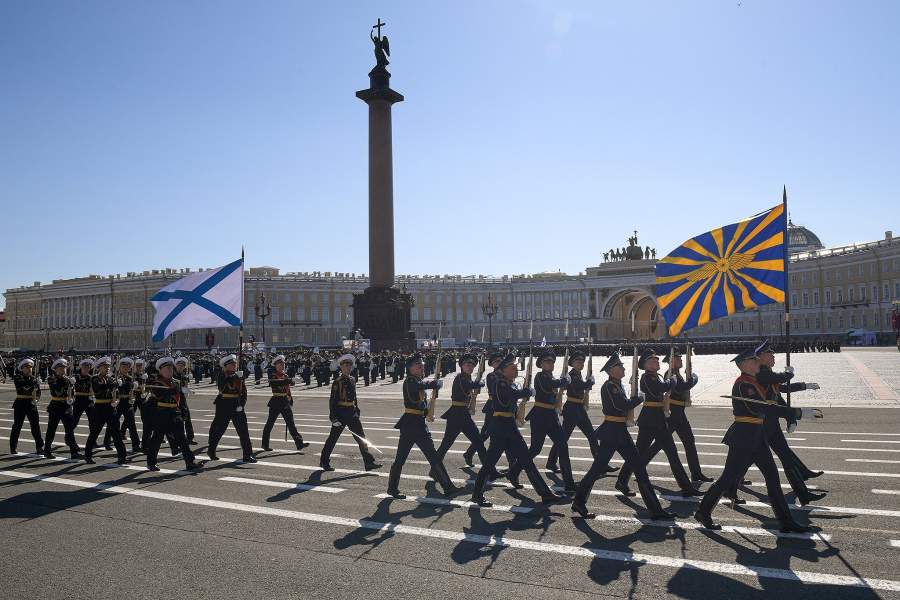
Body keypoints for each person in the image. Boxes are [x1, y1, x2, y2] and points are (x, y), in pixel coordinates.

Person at [693, 347, 814, 534]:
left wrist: (792, 410)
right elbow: (764, 408)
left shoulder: (754, 381)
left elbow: (772, 401)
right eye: (756, 361)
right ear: (747, 364)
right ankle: (703, 511)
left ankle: (785, 521)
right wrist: (797, 413)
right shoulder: (743, 385)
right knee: (727, 478)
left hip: (757, 436)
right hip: (743, 437)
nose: (759, 363)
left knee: (772, 477)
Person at [570, 353, 674, 520]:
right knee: (596, 470)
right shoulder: (610, 387)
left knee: (639, 468)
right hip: (611, 432)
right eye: (621, 367)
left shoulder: (618, 385)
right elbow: (621, 405)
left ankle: (655, 510)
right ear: (612, 370)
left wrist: (635, 396)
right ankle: (579, 501)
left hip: (620, 431)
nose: (624, 369)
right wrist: (639, 398)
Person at [726, 341, 826, 505]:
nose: (773, 356)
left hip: (771, 424)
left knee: (784, 457)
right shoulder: (761, 374)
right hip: (760, 424)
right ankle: (729, 487)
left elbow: (780, 392)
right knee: (747, 460)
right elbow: (778, 380)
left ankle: (803, 493)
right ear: (761, 357)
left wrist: (803, 387)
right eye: (769, 354)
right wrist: (789, 375)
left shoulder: (766, 372)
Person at [469, 354, 562, 507]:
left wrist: (524, 391)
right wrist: (526, 392)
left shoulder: (509, 383)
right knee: (489, 464)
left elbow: (515, 393)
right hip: (500, 428)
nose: (516, 369)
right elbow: (512, 394)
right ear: (503, 370)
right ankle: (477, 494)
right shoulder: (500, 384)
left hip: (510, 427)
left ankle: (545, 493)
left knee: (527, 460)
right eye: (512, 368)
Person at [614, 348, 702, 498]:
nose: (656, 362)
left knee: (672, 453)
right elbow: (658, 390)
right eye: (652, 361)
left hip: (659, 420)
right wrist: (672, 381)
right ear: (646, 365)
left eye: (656, 360)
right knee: (638, 453)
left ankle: (686, 487)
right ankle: (622, 480)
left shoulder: (658, 376)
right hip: (649, 420)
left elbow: (664, 388)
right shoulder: (647, 378)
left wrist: (671, 381)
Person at [386, 353, 461, 499]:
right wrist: (434, 383)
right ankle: (392, 488)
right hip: (411, 425)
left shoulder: (418, 381)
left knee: (432, 457)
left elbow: (420, 403)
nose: (421, 367)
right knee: (403, 458)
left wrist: (428, 411)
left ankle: (448, 487)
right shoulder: (410, 381)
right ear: (410, 368)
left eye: (422, 364)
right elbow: (419, 387)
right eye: (418, 365)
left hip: (418, 424)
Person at [505, 349, 577, 492]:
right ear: (541, 364)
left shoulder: (551, 377)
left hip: (551, 416)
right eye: (546, 362)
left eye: (551, 362)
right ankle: (513, 472)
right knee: (535, 449)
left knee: (563, 445)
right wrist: (564, 380)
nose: (549, 364)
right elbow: (550, 384)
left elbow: (555, 389)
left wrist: (563, 383)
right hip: (540, 417)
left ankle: (569, 483)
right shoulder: (540, 377)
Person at [639, 349, 711, 484]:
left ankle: (696, 473)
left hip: (679, 413)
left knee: (689, 442)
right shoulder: (669, 374)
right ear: (671, 361)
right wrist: (694, 378)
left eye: (681, 359)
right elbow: (681, 387)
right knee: (660, 446)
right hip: (672, 414)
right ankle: (639, 467)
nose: (681, 361)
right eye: (678, 359)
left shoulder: (676, 373)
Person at [547, 350, 618, 475]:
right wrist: (589, 382)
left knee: (591, 435)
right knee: (563, 438)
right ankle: (551, 462)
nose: (581, 363)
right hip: (571, 409)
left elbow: (583, 386)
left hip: (579, 408)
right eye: (578, 361)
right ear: (572, 363)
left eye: (582, 361)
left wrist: (588, 383)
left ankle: (601, 463)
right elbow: (579, 386)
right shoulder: (572, 375)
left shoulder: (578, 374)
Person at [433, 352, 491, 475]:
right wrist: (480, 382)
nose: (470, 367)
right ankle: (435, 469)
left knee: (479, 442)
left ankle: (488, 470)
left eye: (472, 365)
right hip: (456, 415)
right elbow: (470, 385)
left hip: (464, 414)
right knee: (446, 444)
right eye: (467, 364)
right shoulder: (460, 378)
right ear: (461, 366)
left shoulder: (468, 377)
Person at [320, 354, 380, 471]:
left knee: (361, 438)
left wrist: (357, 410)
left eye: (349, 365)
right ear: (341, 367)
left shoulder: (352, 379)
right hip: (341, 413)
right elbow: (332, 400)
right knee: (333, 439)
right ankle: (324, 461)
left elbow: (354, 397)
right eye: (345, 365)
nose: (348, 367)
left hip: (351, 412)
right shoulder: (337, 382)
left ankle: (368, 462)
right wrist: (334, 418)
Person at [144, 357, 202, 472]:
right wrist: (174, 390)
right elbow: (161, 394)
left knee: (182, 439)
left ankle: (190, 462)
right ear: (160, 370)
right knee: (156, 439)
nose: (169, 371)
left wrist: (183, 411)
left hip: (175, 413)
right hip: (161, 414)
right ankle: (151, 463)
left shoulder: (176, 382)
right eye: (166, 369)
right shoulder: (156, 383)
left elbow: (180, 400)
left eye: (171, 368)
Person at [207, 354, 256, 463]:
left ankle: (247, 455)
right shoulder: (221, 375)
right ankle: (211, 450)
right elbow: (221, 388)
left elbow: (244, 392)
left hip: (237, 404)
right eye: (231, 364)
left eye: (235, 363)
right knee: (219, 429)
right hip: (224, 404)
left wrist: (241, 404)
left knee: (243, 431)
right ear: (225, 366)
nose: (234, 365)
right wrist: (234, 377)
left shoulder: (238, 375)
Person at [84, 356, 128, 465]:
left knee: (116, 433)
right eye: (104, 367)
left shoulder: (111, 379)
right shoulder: (95, 378)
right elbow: (99, 388)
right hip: (99, 408)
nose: (107, 369)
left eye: (108, 367)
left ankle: (122, 456)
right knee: (94, 432)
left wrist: (116, 399)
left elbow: (116, 392)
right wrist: (114, 384)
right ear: (99, 368)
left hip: (110, 407)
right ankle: (88, 455)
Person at [261, 355, 309, 451]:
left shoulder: (285, 375)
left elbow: (288, 389)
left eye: (283, 364)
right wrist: (290, 380)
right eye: (280, 364)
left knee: (291, 424)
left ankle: (299, 443)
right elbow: (275, 383)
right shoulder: (273, 375)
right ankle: (264, 444)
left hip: (284, 402)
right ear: (275, 365)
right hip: (276, 401)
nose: (282, 365)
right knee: (269, 424)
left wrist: (290, 399)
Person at [43, 358, 80, 459]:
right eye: (60, 368)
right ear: (55, 369)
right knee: (51, 429)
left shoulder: (68, 379)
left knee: (69, 430)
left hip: (66, 406)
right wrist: (68, 382)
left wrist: (72, 397)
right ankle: (47, 450)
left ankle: (74, 451)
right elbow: (57, 390)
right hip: (55, 406)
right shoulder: (52, 378)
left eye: (64, 368)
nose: (63, 370)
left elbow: (72, 393)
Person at [10, 358, 44, 455]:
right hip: (20, 403)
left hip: (31, 403)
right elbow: (22, 386)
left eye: (30, 368)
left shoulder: (33, 379)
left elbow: (38, 392)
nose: (29, 369)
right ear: (22, 368)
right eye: (27, 367)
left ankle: (39, 446)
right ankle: (13, 446)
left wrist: (36, 399)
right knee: (17, 426)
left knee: (35, 426)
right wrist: (34, 382)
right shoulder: (18, 377)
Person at [174, 357, 197, 446]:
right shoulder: (173, 375)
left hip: (182, 399)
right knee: (176, 421)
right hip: (174, 400)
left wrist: (188, 390)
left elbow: (185, 386)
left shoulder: (184, 375)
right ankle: (177, 439)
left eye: (182, 366)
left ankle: (190, 437)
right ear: (176, 365)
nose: (181, 367)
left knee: (187, 417)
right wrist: (182, 389)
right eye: (179, 365)